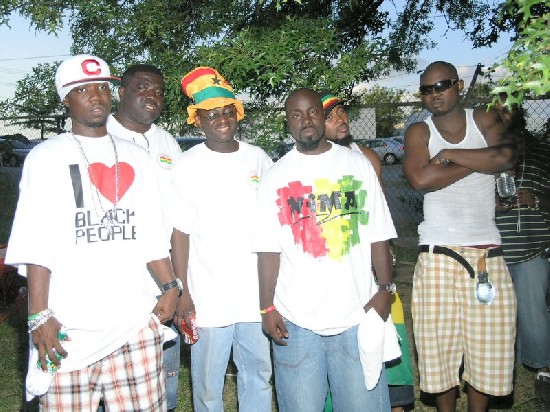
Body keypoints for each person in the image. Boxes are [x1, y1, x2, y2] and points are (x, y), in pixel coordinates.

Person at [5, 54, 180, 410]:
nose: (97, 96)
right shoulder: (46, 157)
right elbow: (37, 243)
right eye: (83, 90)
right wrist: (39, 315)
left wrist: (171, 286)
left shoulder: (137, 157)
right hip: (69, 329)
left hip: (133, 324)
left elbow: (149, 233)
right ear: (65, 100)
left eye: (103, 87)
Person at [254, 88, 397, 411]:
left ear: (322, 114)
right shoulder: (275, 177)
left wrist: (386, 289)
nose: (305, 120)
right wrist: (267, 307)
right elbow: (267, 251)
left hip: (356, 313)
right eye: (296, 115)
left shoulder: (357, 165)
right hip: (296, 320)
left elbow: (379, 234)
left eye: (312, 112)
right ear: (287, 124)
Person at [402, 61, 518, 411]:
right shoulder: (419, 132)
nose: (435, 94)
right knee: (439, 353)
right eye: (427, 89)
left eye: (442, 85)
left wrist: (451, 155)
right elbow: (420, 179)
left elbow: (508, 154)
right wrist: (484, 160)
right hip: (438, 253)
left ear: (460, 85)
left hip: (487, 253)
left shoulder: (482, 118)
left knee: (487, 350)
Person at [171, 66, 273, 411]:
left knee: (258, 376)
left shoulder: (258, 158)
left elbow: (275, 223)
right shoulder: (186, 165)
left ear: (238, 114)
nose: (221, 119)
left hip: (254, 295)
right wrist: (182, 291)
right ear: (197, 121)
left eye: (227, 111)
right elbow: (180, 233)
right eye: (211, 114)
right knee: (207, 386)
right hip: (208, 297)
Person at [320, 90, 415, 412]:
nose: (340, 120)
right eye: (330, 116)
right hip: (333, 273)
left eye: (342, 113)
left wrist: (382, 270)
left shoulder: (366, 157)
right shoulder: (308, 163)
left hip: (373, 269)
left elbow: (379, 219)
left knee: (388, 339)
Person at [106, 63, 183, 411]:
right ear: (122, 93)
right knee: (112, 382)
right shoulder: (97, 137)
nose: (153, 96)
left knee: (162, 377)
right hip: (117, 281)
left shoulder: (166, 141)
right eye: (143, 88)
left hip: (165, 274)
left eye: (159, 91)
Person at [494, 94, 550, 384]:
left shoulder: (540, 150)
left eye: (508, 110)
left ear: (519, 112)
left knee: (533, 311)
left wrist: (535, 199)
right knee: (500, 314)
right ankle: (507, 366)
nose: (502, 115)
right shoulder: (486, 149)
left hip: (531, 245)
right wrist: (494, 202)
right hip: (495, 247)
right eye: (498, 111)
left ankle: (542, 366)